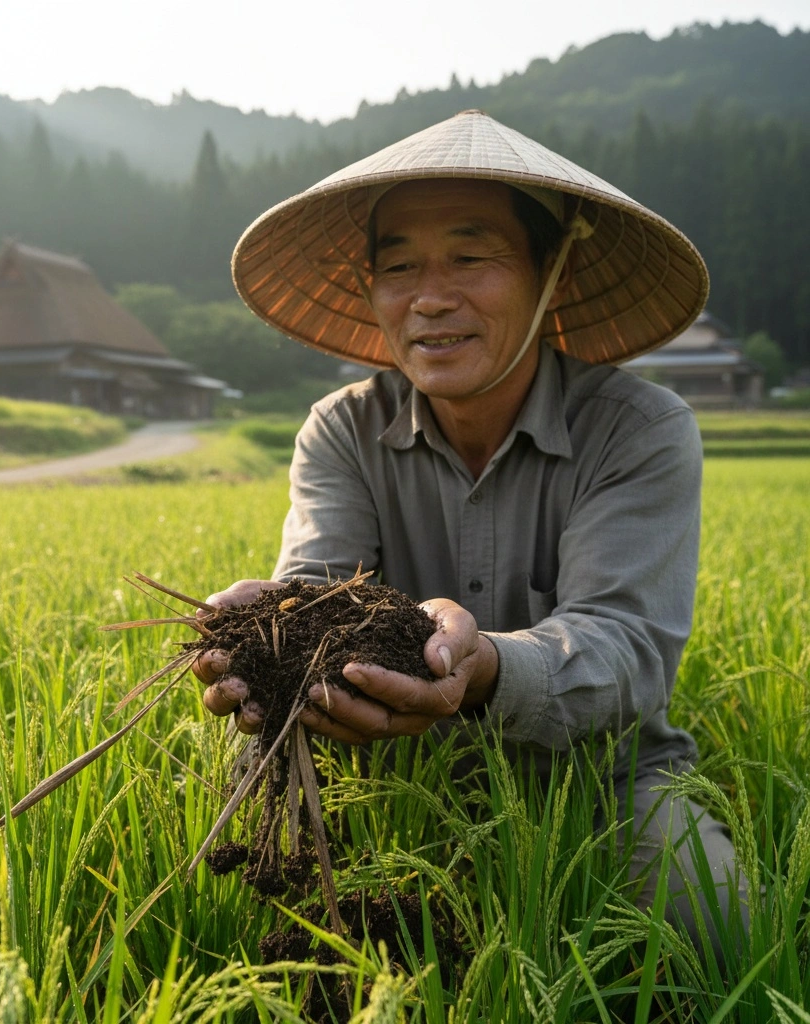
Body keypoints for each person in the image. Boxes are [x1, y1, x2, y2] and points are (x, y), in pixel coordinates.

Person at [194, 110, 745, 961]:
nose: (430, 296)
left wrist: (482, 662)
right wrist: (269, 624)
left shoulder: (637, 429)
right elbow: (313, 585)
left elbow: (628, 648)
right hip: (381, 758)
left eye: (471, 256)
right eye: (400, 265)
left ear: (549, 273)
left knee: (711, 926)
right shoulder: (341, 431)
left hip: (597, 770)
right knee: (259, 900)